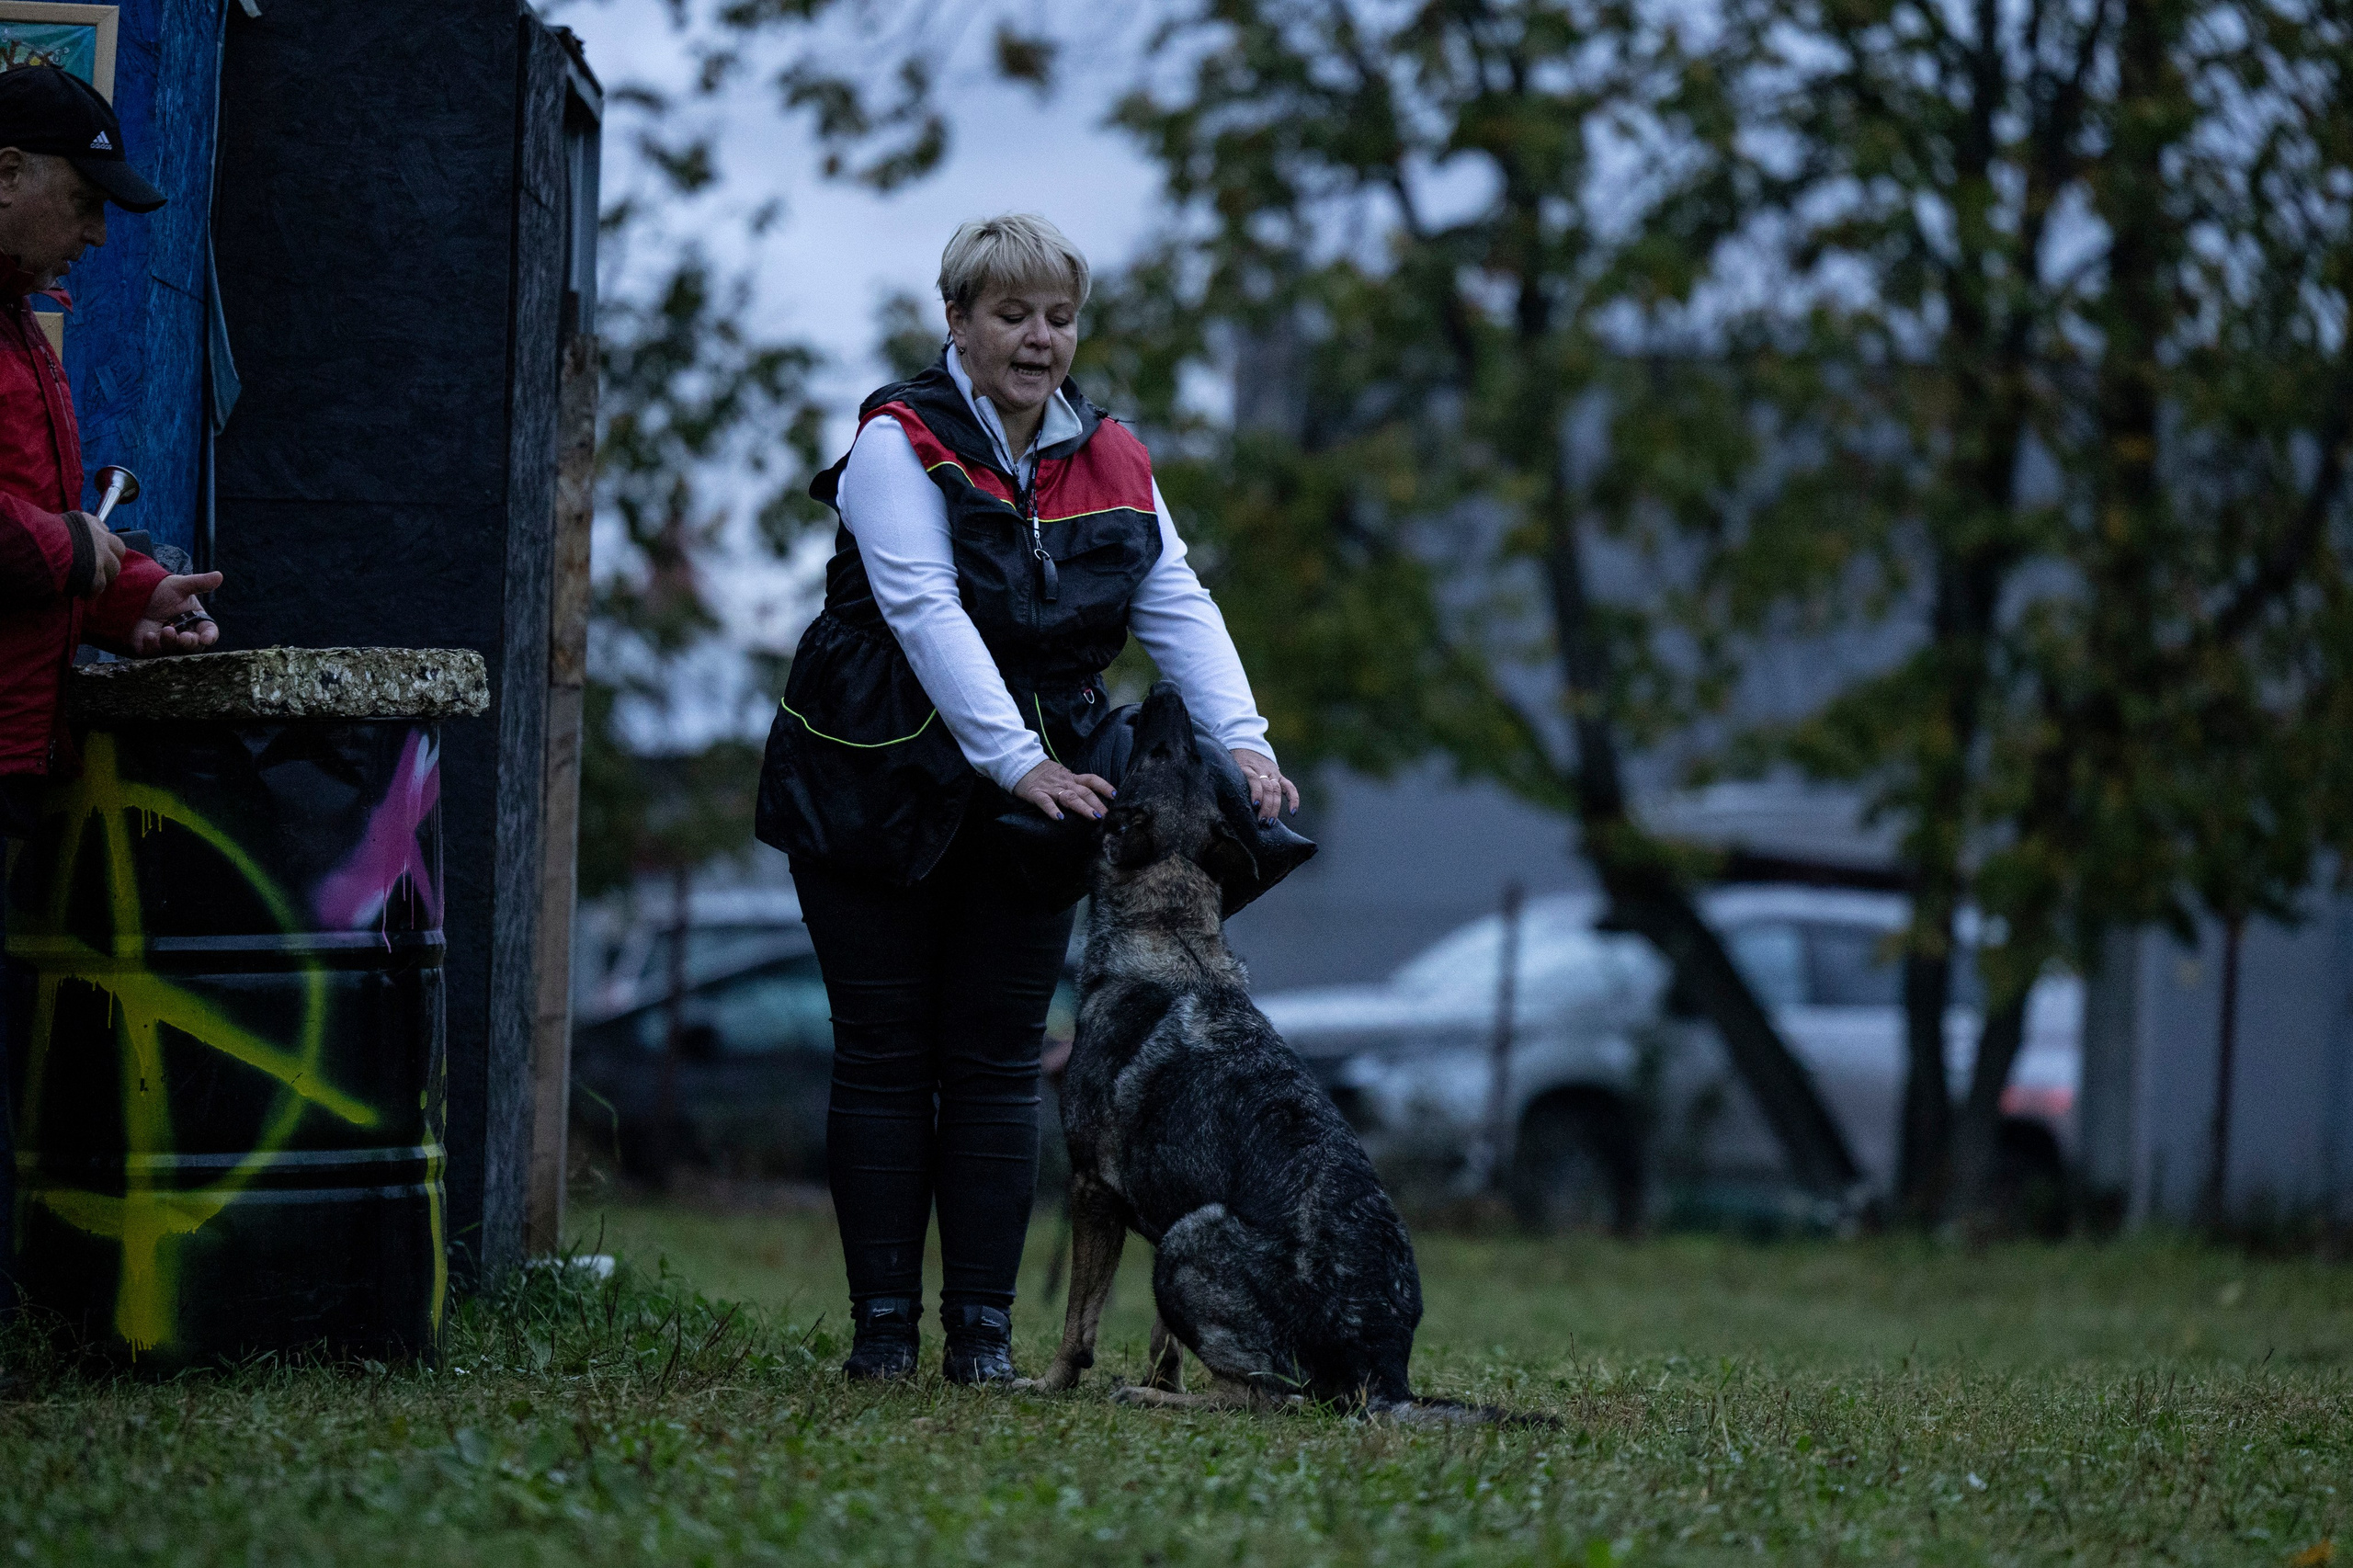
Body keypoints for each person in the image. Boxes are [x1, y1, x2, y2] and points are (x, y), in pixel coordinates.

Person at [756, 213, 1299, 1383]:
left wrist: (1244, 746)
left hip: (1041, 790)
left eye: (1057, 316)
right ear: (957, 321)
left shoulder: (1112, 455)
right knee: (887, 1051)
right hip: (873, 776)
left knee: (1001, 1055)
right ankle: (883, 1335)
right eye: (1011, 315)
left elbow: (1177, 604)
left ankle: (985, 1341)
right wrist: (1016, 761)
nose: (1039, 338)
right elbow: (922, 612)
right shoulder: (896, 443)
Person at [0, 65, 218, 1312]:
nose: (93, 231)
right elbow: (32, 534)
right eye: (83, 202)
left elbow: (49, 540)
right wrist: (67, 551)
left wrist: (129, 598)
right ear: (7, 173)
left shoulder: (26, 325)